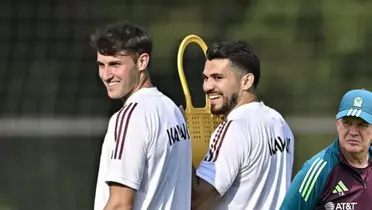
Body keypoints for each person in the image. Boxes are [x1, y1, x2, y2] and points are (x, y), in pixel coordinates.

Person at [90, 21, 192, 210]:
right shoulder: (173, 111)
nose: (106, 75)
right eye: (101, 65)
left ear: (142, 61)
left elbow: (120, 204)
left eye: (115, 64)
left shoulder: (130, 117)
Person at [191, 40, 295, 210]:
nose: (207, 87)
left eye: (218, 77)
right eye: (205, 78)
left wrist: (182, 145)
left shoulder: (233, 128)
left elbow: (196, 200)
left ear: (246, 81)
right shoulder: (279, 123)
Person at [280, 89, 372, 210]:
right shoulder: (317, 171)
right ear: (337, 124)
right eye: (347, 123)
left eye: (362, 124)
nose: (353, 132)